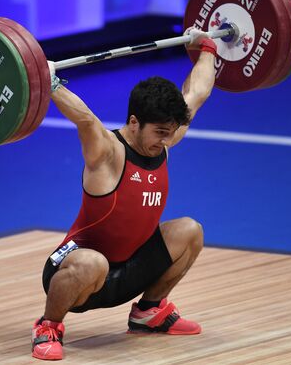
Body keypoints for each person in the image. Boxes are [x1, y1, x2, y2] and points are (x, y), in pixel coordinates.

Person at [31, 28, 218, 361]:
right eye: (160, 132)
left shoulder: (163, 138)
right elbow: (85, 120)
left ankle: (148, 312)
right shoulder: (107, 153)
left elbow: (197, 93)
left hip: (128, 267)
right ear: (134, 122)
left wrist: (207, 46)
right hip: (78, 274)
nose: (167, 140)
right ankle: (48, 325)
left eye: (171, 132)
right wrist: (50, 82)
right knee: (93, 261)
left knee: (190, 230)